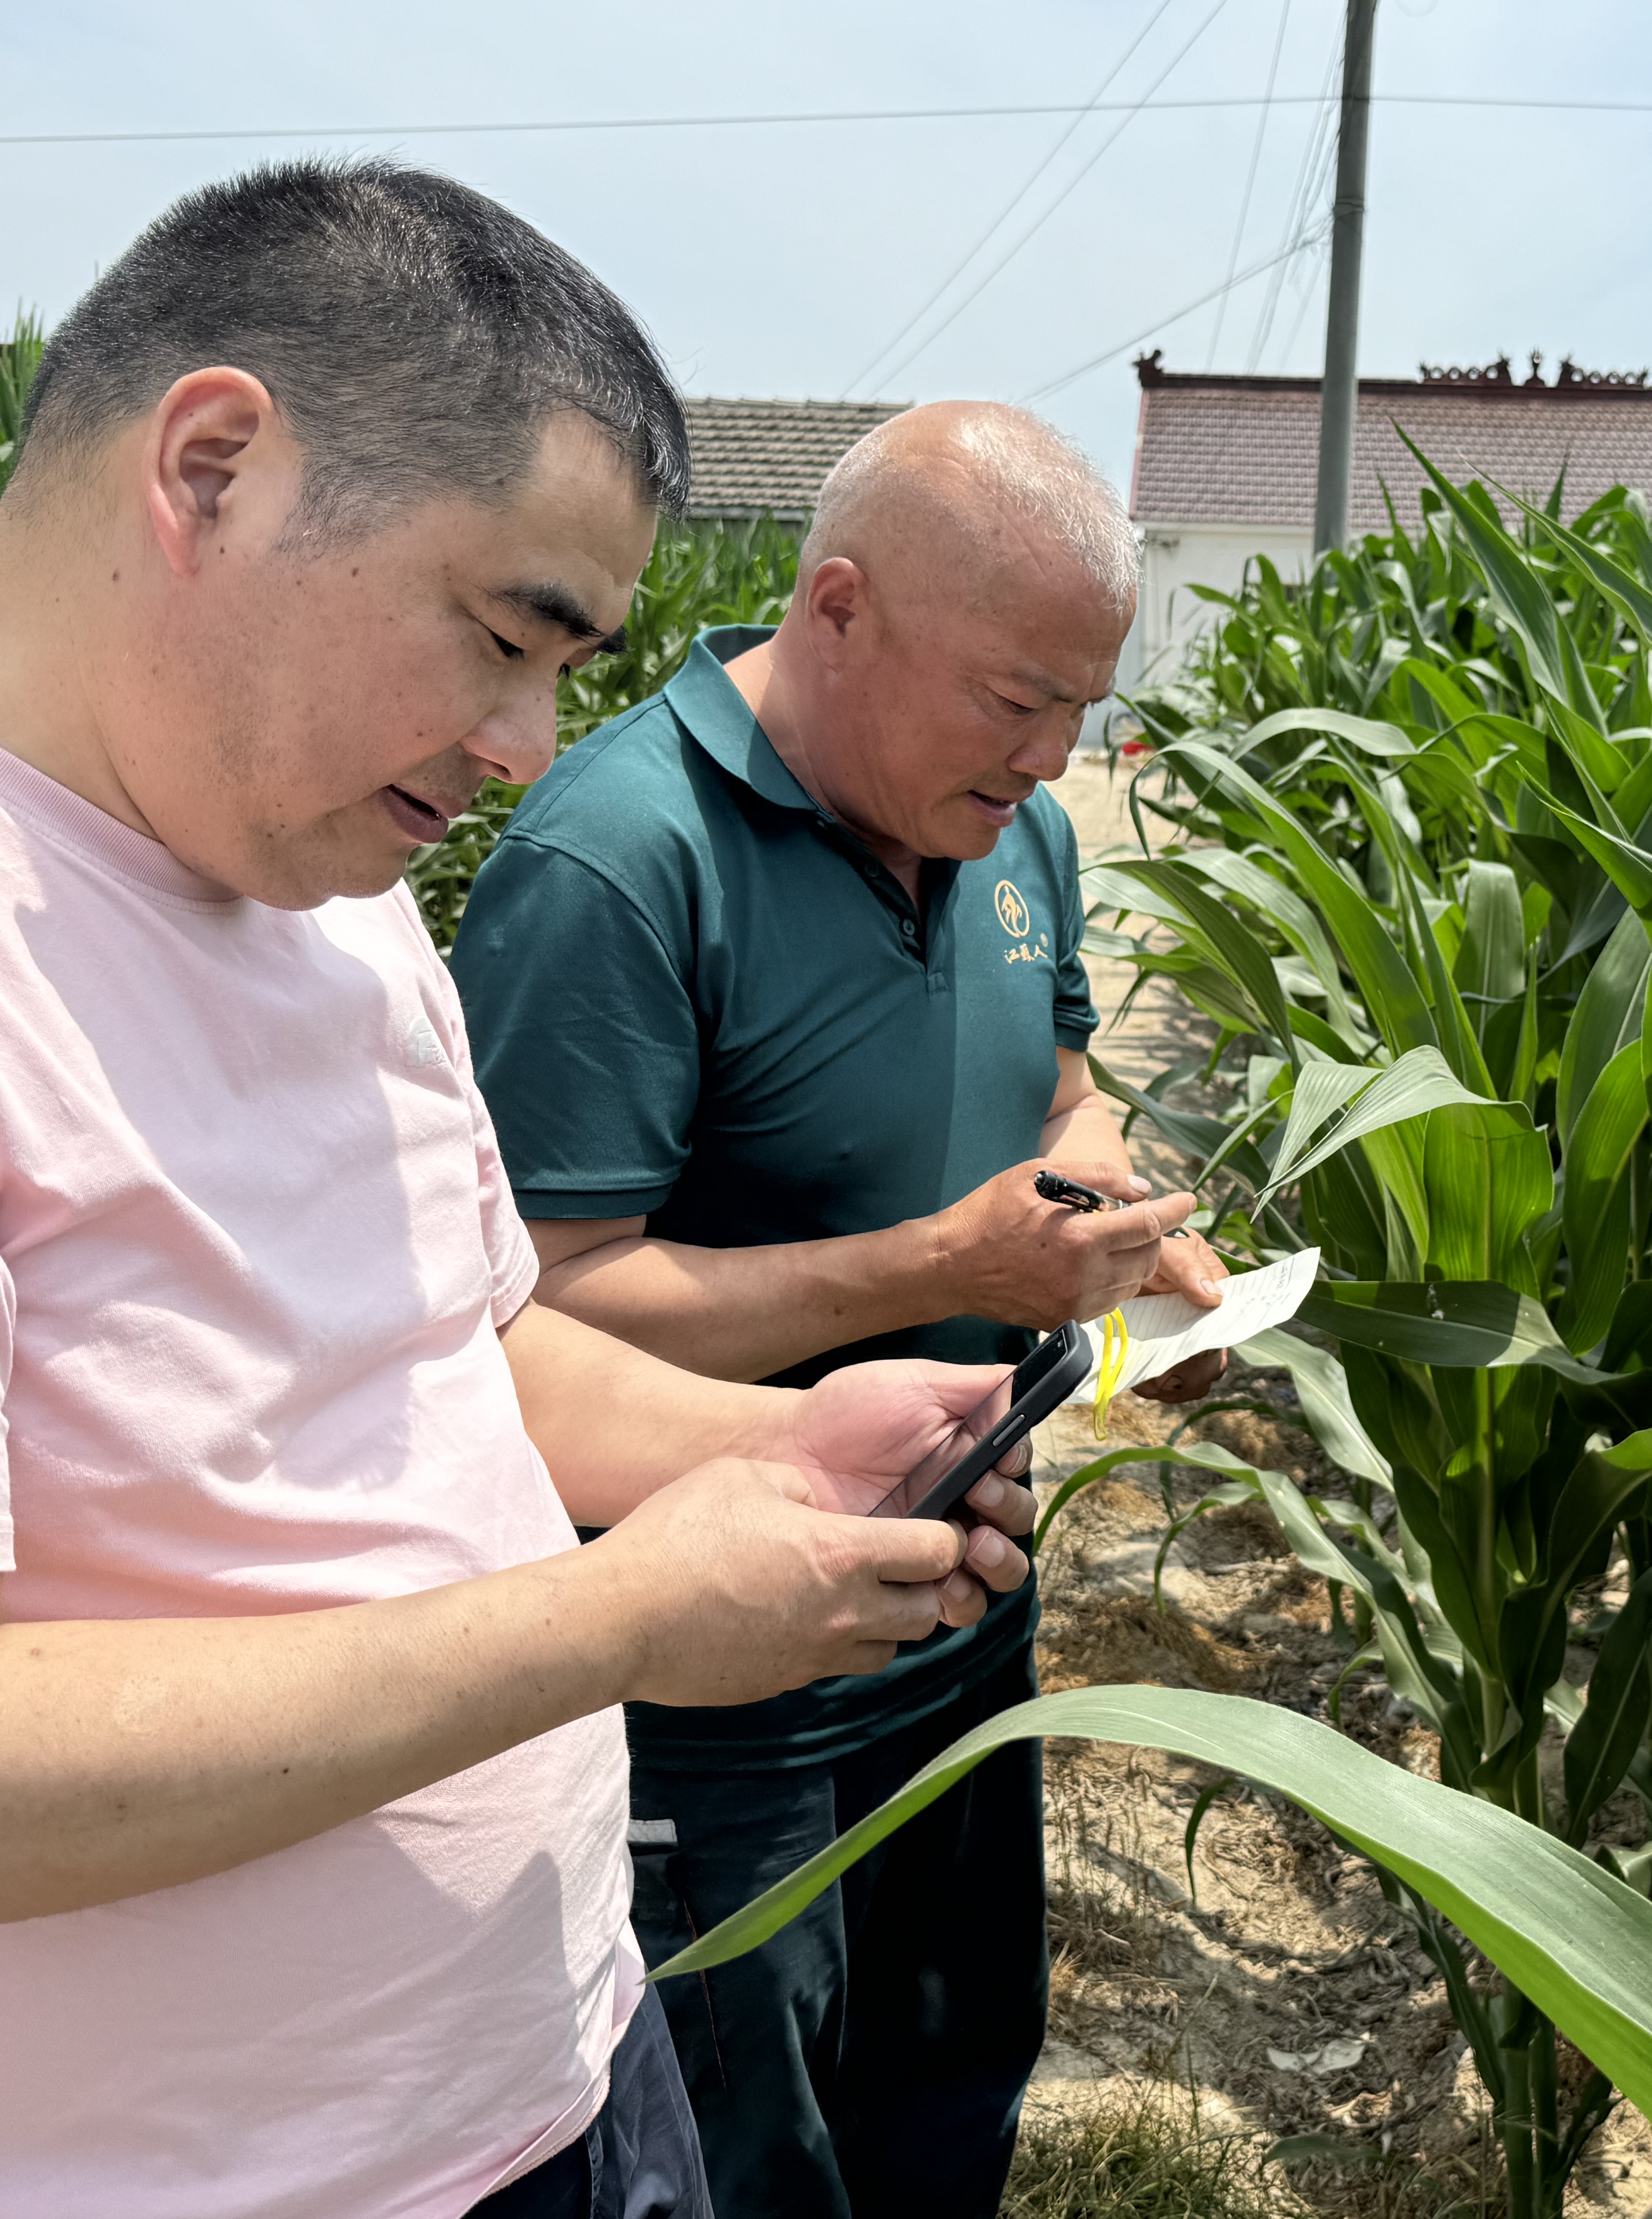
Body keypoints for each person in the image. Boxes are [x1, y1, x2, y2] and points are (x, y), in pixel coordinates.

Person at [0, 160, 1039, 2219]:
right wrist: (616, 1620)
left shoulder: (324, 880)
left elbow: (468, 1343)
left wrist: (774, 1449)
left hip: (563, 2074)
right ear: (218, 462)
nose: (529, 748)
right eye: (509, 637)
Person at [450, 400, 1223, 2217]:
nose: (1048, 757)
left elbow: (1059, 1087)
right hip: (723, 1699)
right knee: (750, 2148)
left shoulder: (1004, 832)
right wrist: (944, 1270)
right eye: (1011, 696)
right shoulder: (620, 863)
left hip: (966, 1628)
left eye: (1080, 713)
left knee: (951, 2093)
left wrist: (1114, 1224)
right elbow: (535, 1302)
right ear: (841, 607)